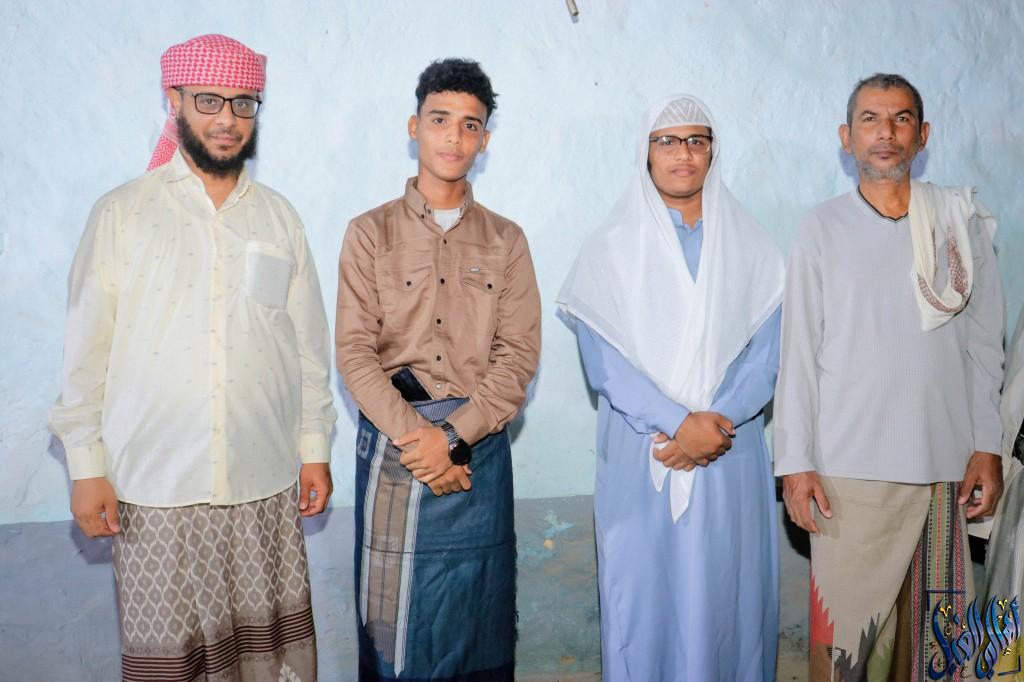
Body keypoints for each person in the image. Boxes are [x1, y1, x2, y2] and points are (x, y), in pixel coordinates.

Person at [49, 34, 336, 681]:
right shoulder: (122, 213)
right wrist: (86, 468)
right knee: (171, 665)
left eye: (243, 103)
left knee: (269, 663)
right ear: (173, 100)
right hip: (154, 490)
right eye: (209, 100)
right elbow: (85, 355)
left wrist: (313, 446)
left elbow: (308, 348)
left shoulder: (279, 219)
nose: (227, 118)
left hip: (265, 483)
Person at [774, 73, 1005, 680]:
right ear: (846, 137)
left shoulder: (959, 223)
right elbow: (798, 354)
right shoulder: (820, 228)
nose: (886, 132)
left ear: (922, 135)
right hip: (849, 471)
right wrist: (795, 464)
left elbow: (985, 347)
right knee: (847, 653)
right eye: (871, 119)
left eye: (901, 119)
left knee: (936, 650)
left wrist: (988, 445)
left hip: (944, 466)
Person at [557, 94, 785, 681]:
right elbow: (605, 365)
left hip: (729, 452)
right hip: (646, 452)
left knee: (730, 598)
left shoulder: (752, 246)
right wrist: (680, 425)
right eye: (667, 141)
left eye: (696, 140)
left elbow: (766, 357)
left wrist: (713, 425)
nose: (682, 154)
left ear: (712, 151)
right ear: (646, 153)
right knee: (644, 600)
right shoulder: (610, 250)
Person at [336, 58, 541, 681]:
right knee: (392, 626)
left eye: (470, 125)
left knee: (476, 619)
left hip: (477, 451)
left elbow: (518, 357)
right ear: (414, 127)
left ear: (484, 139)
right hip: (395, 446)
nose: (454, 136)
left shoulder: (507, 240)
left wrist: (452, 437)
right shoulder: (369, 233)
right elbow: (354, 353)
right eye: (440, 120)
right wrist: (421, 441)